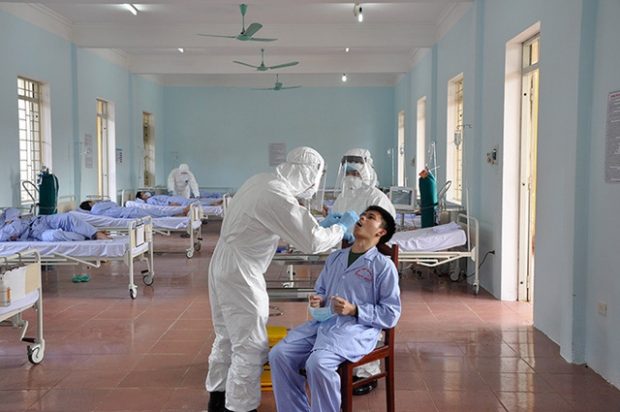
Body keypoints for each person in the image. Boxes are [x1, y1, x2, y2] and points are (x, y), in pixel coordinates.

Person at [206, 147, 359, 412]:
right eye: (316, 177)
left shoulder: (261, 181)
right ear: (307, 174)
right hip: (240, 271)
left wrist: (321, 225)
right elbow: (311, 241)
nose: (315, 184)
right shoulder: (277, 194)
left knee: (227, 337)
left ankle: (218, 401)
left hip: (222, 262)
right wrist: (340, 227)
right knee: (250, 345)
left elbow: (284, 225)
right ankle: (240, 408)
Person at [269, 205, 400, 412]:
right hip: (324, 324)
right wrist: (317, 299)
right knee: (279, 355)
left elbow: (391, 314)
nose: (363, 218)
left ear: (380, 232)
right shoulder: (336, 258)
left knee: (318, 363)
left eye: (370, 218)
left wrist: (354, 310)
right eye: (363, 215)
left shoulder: (382, 266)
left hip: (356, 330)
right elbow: (320, 289)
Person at [329, 148, 396, 394]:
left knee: (365, 311)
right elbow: (335, 225)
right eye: (347, 170)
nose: (351, 175)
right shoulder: (343, 197)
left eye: (356, 170)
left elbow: (383, 233)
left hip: (369, 262)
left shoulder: (377, 199)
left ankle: (366, 372)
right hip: (346, 259)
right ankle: (340, 359)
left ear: (367, 168)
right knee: (338, 309)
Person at [332, 148, 396, 219]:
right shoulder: (342, 197)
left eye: (355, 173)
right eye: (347, 173)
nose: (350, 178)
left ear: (365, 173)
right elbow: (334, 220)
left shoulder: (377, 198)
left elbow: (382, 227)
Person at [0, 208, 109, 242]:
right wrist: (13, 221)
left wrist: (11, 221)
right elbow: (14, 230)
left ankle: (95, 233)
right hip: (36, 234)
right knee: (56, 235)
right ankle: (88, 235)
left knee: (68, 217)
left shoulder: (4, 215)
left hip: (41, 220)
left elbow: (13, 210)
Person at [79, 200, 189, 218]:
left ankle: (181, 210)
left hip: (128, 213)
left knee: (158, 213)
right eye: (92, 200)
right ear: (89, 203)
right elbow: (113, 203)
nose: (95, 201)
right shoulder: (97, 207)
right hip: (130, 212)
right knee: (159, 213)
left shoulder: (95, 213)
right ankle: (182, 210)